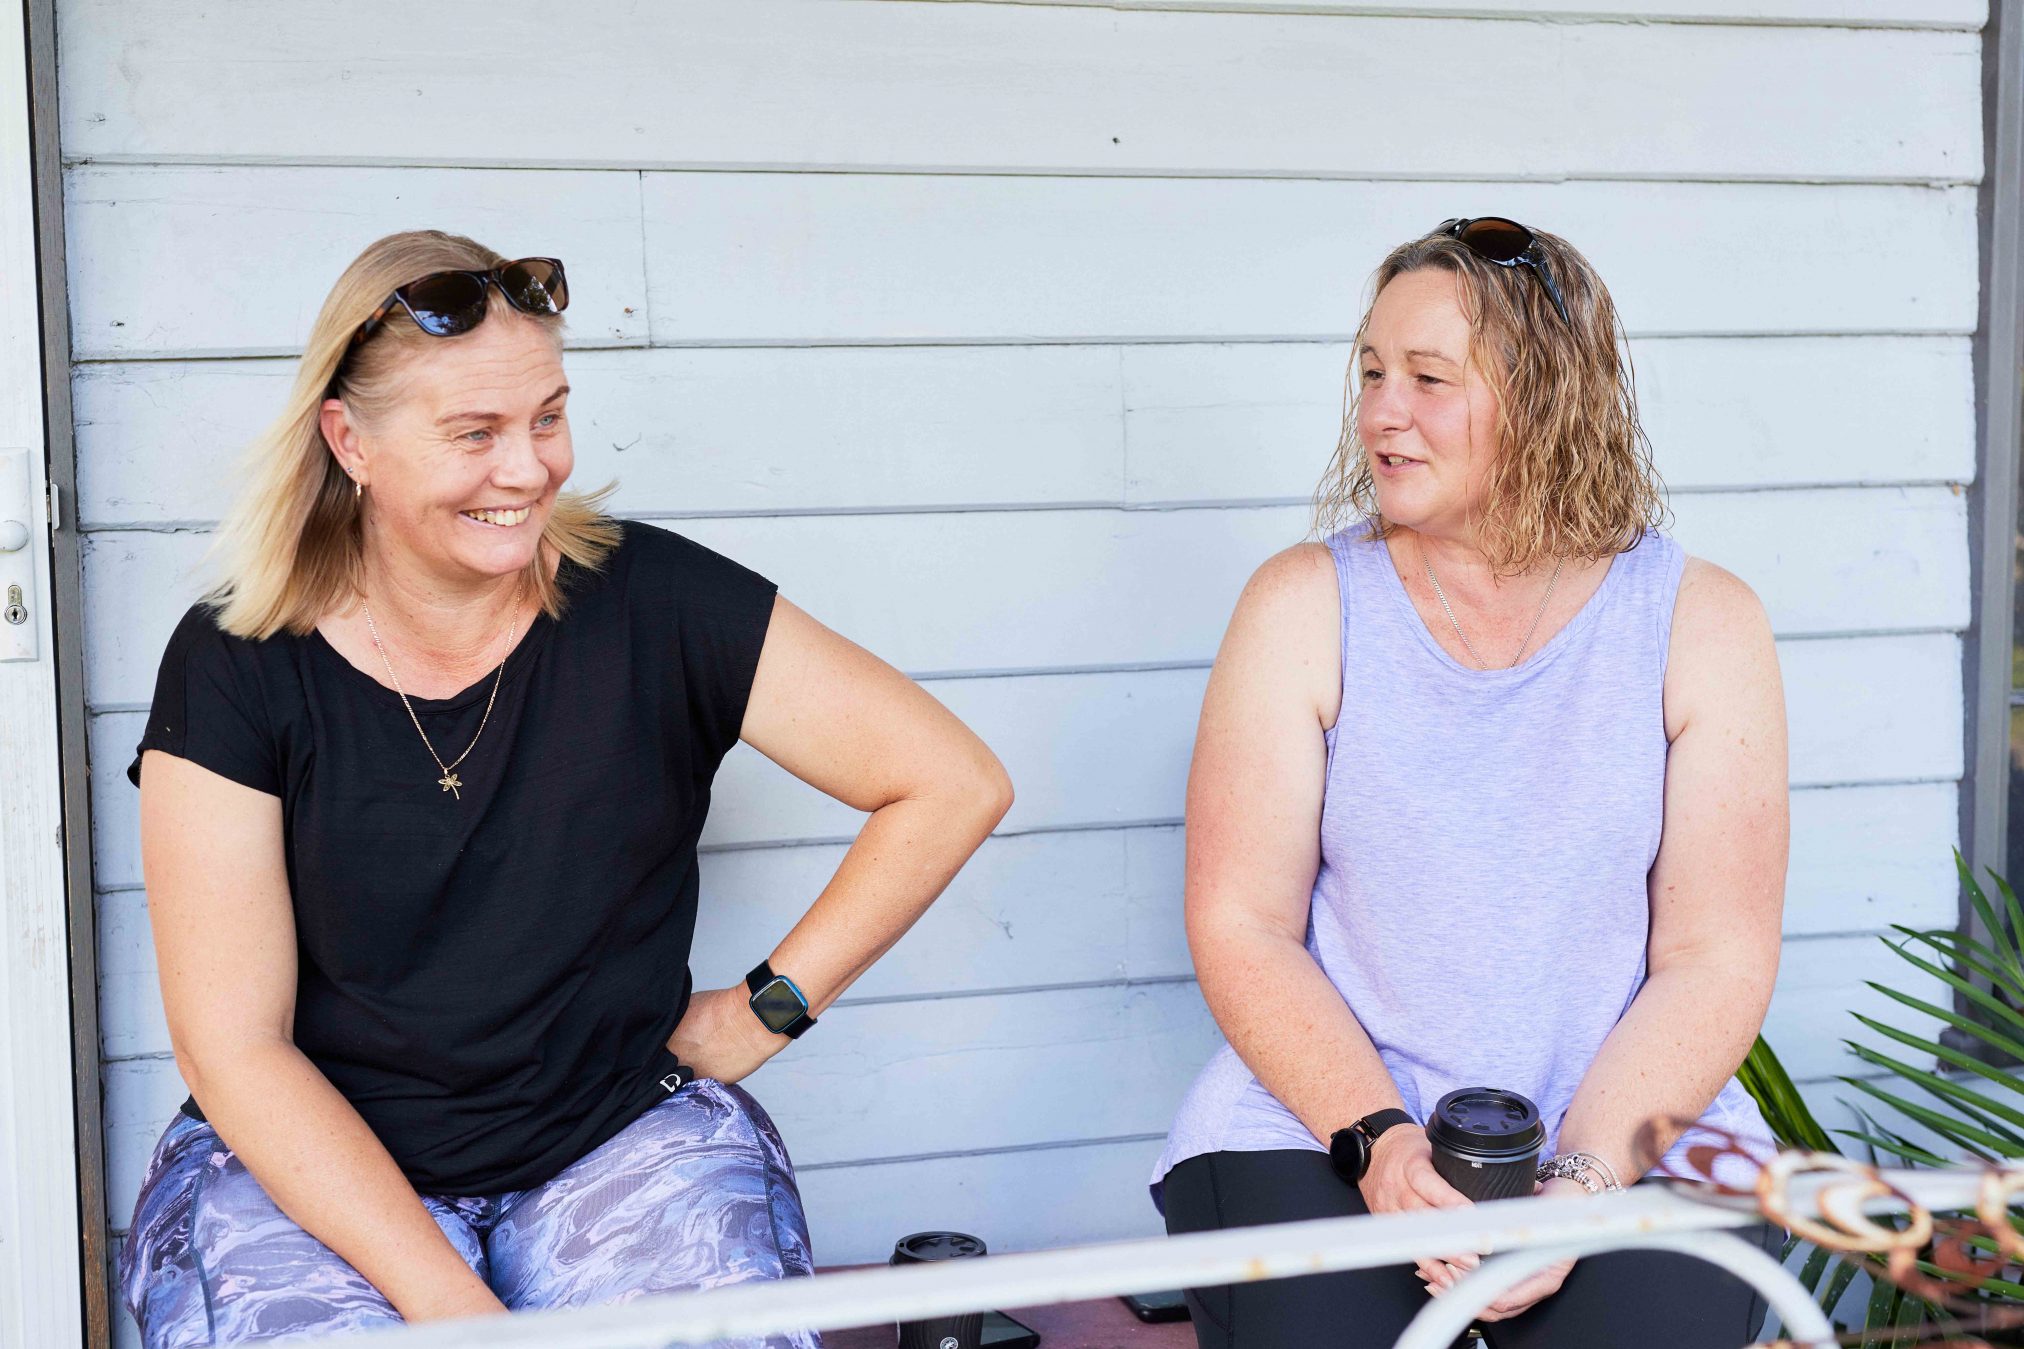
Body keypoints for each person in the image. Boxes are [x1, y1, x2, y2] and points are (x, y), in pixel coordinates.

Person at [117, 230, 1013, 1347]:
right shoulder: (237, 659)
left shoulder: (652, 598)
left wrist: (757, 1012)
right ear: (349, 439)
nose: (529, 467)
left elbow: (948, 779)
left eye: (546, 416)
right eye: (474, 433)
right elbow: (234, 1045)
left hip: (611, 1141)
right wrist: (450, 1306)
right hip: (316, 1176)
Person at [1153, 218, 1787, 1348]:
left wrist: (1577, 1193)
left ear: (1545, 402)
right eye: (1370, 372)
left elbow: (1712, 956)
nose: (1381, 411)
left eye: (1429, 379)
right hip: (1320, 1125)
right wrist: (1382, 1148)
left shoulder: (1699, 621)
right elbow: (1241, 921)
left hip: (1629, 1135)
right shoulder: (1301, 604)